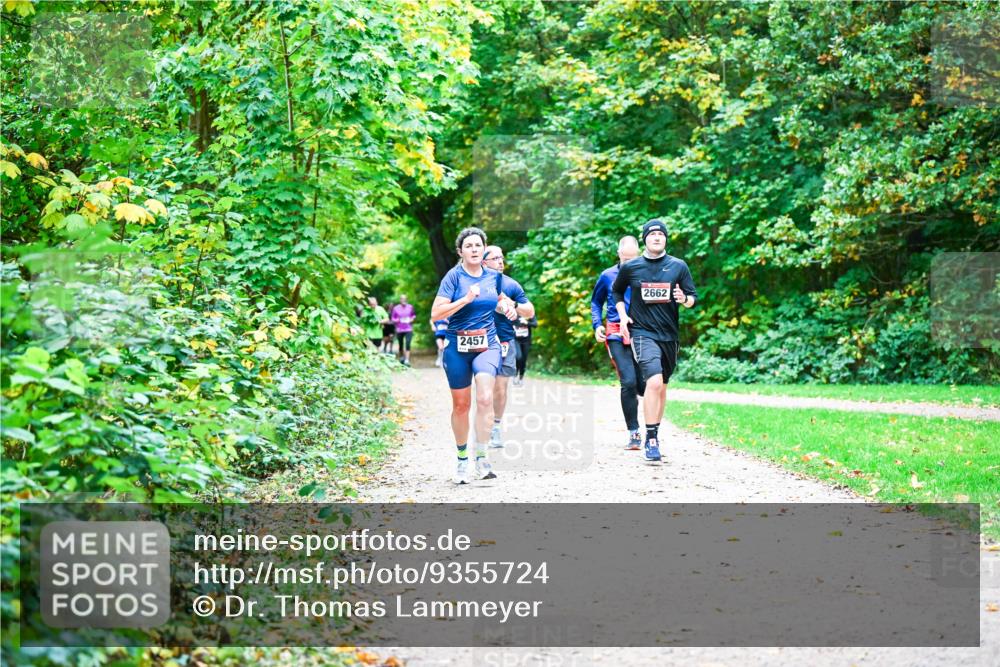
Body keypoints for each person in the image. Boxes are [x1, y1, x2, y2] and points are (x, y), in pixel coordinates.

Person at [431, 228, 531, 484]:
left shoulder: (493, 277)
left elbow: (499, 300)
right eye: (469, 246)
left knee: (485, 397)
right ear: (460, 251)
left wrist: (507, 307)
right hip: (457, 345)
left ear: (484, 249)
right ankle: (462, 459)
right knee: (461, 405)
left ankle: (482, 458)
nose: (474, 249)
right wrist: (465, 299)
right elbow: (436, 314)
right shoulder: (453, 277)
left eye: (478, 245)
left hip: (487, 344)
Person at [612, 219, 697, 463]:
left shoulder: (678, 266)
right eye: (652, 234)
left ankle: (655, 432)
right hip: (642, 333)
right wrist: (623, 315)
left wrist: (683, 299)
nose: (657, 237)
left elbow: (693, 298)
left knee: (662, 386)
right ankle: (650, 439)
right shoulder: (632, 267)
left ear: (666, 239)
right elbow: (617, 291)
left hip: (669, 335)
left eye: (661, 234)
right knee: (654, 381)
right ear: (645, 240)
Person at [592, 236, 647, 450]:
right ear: (619, 254)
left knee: (644, 385)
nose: (629, 263)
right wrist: (597, 324)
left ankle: (651, 426)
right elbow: (596, 302)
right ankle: (634, 432)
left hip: (642, 332)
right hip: (616, 333)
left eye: (633, 259)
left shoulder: (646, 273)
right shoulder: (607, 275)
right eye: (625, 259)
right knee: (629, 382)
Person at [482, 245, 534, 448]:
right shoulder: (474, 283)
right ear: (484, 262)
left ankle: (495, 427)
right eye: (495, 258)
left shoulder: (511, 284)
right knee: (484, 388)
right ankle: (482, 425)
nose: (500, 262)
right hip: (481, 340)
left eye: (502, 258)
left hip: (504, 341)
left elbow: (530, 311)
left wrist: (514, 305)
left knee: (500, 388)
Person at [391, 295, 416, 366]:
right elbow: (393, 318)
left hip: (408, 328)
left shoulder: (410, 307)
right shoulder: (396, 308)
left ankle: (407, 360)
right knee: (401, 344)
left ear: (406, 300)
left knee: (408, 343)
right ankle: (402, 357)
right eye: (402, 299)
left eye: (405, 299)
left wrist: (411, 319)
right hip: (400, 329)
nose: (403, 300)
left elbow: (413, 315)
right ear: (400, 300)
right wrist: (398, 320)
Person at [512, 314, 536, 386]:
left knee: (523, 360)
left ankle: (521, 378)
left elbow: (535, 324)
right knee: (518, 357)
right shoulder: (512, 313)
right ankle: (515, 373)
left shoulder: (528, 313)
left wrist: (527, 323)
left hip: (526, 341)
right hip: (516, 340)